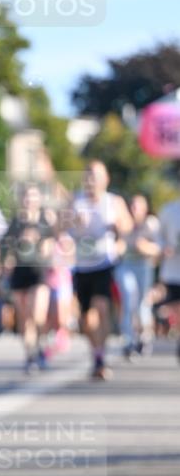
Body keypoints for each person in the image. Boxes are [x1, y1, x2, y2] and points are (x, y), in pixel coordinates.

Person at [68, 161, 132, 379]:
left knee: (102, 309)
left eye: (95, 176)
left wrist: (117, 227)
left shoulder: (113, 202)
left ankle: (100, 356)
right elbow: (59, 227)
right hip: (81, 265)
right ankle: (96, 352)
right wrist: (73, 221)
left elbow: (127, 227)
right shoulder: (75, 201)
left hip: (105, 263)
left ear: (106, 179)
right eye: (87, 176)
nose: (90, 180)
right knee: (86, 320)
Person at [1, 183, 56, 374]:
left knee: (37, 314)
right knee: (24, 317)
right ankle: (30, 354)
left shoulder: (44, 219)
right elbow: (6, 246)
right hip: (20, 271)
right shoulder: (15, 222)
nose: (29, 200)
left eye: (33, 196)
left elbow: (51, 243)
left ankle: (41, 346)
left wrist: (41, 245)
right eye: (26, 196)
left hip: (38, 270)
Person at [114, 194, 160, 358]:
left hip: (143, 266)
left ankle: (144, 337)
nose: (134, 209)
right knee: (128, 298)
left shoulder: (151, 224)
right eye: (132, 205)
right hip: (126, 265)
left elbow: (159, 248)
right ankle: (128, 340)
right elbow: (117, 243)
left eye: (138, 206)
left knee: (142, 304)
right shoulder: (123, 223)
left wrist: (145, 247)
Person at [158, 195, 180, 362]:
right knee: (176, 307)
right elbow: (158, 236)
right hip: (174, 271)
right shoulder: (169, 209)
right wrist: (164, 248)